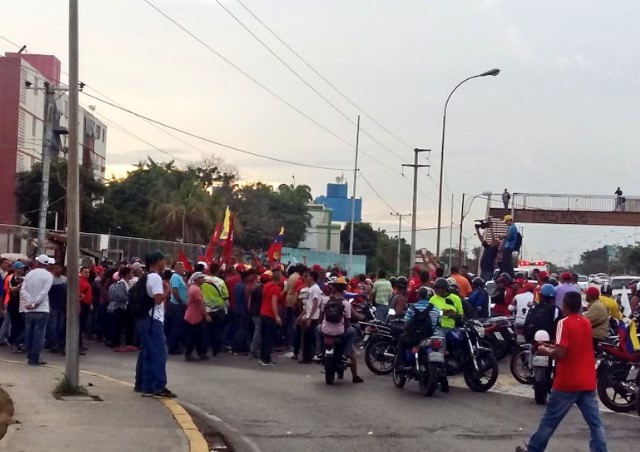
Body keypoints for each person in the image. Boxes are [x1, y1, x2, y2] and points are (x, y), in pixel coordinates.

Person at [516, 291, 607, 452]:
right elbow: (573, 347)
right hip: (587, 380)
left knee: (550, 421)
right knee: (595, 423)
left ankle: (534, 449)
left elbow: (561, 353)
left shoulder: (563, 323)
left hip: (567, 381)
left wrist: (545, 350)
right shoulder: (585, 322)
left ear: (565, 305)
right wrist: (552, 346)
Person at [136, 250, 176, 398]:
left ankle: (147, 386)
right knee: (160, 353)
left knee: (148, 353)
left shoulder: (146, 277)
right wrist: (167, 291)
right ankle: (158, 385)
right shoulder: (155, 278)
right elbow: (158, 299)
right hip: (153, 319)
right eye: (163, 259)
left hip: (146, 318)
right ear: (158, 261)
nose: (164, 262)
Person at [316, 276, 364, 383]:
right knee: (352, 331)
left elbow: (321, 317)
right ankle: (345, 356)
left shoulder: (325, 300)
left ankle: (319, 351)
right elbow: (347, 322)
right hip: (340, 332)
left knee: (317, 328)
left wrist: (324, 325)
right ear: (344, 289)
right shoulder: (346, 303)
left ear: (334, 288)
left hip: (325, 330)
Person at [20, 254, 54, 366]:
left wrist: (30, 302)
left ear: (37, 262)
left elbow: (23, 290)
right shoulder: (48, 276)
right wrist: (35, 303)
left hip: (29, 310)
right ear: (46, 264)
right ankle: (35, 358)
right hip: (42, 309)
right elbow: (44, 292)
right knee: (39, 335)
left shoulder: (29, 274)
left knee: (29, 333)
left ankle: (30, 356)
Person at [202, 269, 229, 358]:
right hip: (218, 309)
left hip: (206, 309)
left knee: (206, 331)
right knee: (218, 331)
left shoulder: (203, 279)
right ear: (217, 272)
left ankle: (204, 351)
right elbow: (225, 295)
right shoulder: (220, 281)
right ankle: (216, 351)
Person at [184, 272, 210, 362]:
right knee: (193, 336)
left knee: (199, 336)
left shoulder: (193, 288)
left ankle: (200, 353)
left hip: (193, 315)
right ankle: (189, 354)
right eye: (201, 278)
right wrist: (206, 315)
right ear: (197, 279)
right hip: (193, 317)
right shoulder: (196, 290)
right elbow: (200, 304)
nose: (203, 279)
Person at [260, 269, 283, 366]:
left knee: (264, 336)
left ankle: (263, 358)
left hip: (263, 312)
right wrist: (277, 316)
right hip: (270, 314)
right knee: (269, 338)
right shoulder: (276, 289)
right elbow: (274, 301)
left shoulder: (266, 286)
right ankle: (266, 358)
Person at [298, 270, 322, 363]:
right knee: (307, 338)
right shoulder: (312, 288)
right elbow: (309, 305)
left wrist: (309, 317)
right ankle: (307, 356)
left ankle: (307, 358)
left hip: (312, 317)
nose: (307, 278)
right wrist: (301, 316)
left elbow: (315, 304)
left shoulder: (315, 289)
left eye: (308, 276)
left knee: (308, 339)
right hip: (309, 315)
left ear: (311, 277)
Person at [7, 261, 26, 353]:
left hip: (22, 304)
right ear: (16, 269)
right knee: (15, 324)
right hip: (13, 304)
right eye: (20, 268)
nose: (22, 269)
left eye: (22, 268)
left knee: (22, 325)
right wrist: (19, 286)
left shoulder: (23, 278)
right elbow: (12, 289)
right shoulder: (12, 278)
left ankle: (17, 342)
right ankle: (12, 341)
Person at [249, 271, 269, 359]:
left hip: (254, 312)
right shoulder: (263, 290)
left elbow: (250, 301)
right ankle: (253, 350)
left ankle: (255, 350)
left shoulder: (256, 288)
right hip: (259, 313)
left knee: (257, 332)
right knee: (258, 333)